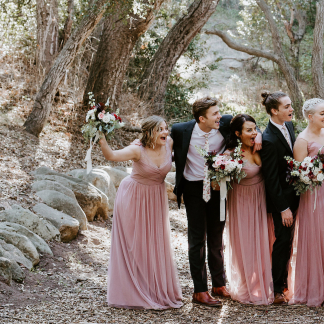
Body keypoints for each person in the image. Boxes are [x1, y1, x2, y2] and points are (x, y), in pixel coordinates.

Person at [99, 116, 182, 310]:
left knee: (154, 242)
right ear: (149, 132)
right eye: (160, 129)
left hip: (155, 199)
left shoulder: (169, 143)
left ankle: (153, 289)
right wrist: (99, 134)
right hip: (133, 198)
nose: (165, 132)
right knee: (134, 244)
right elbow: (111, 156)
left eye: (166, 128)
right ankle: (132, 291)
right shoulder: (137, 149)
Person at [170, 98, 232, 307]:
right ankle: (200, 290)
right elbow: (160, 142)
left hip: (217, 188)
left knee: (217, 236)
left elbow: (249, 128)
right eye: (215, 114)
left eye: (219, 112)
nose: (219, 116)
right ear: (201, 118)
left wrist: (257, 136)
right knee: (197, 239)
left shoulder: (226, 124)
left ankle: (219, 284)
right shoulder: (180, 130)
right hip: (193, 189)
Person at [288, 98, 324, 306]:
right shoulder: (302, 141)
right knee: (318, 236)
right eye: (322, 113)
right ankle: (316, 288)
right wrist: (312, 173)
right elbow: (299, 173)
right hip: (314, 193)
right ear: (310, 117)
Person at [224, 114, 274, 305]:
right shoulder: (231, 155)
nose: (253, 133)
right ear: (237, 133)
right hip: (242, 202)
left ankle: (262, 284)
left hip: (261, 199)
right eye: (248, 130)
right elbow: (217, 181)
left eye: (255, 129)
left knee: (265, 240)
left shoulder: (258, 146)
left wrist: (258, 135)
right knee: (245, 242)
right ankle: (247, 285)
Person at [257, 90, 298, 305]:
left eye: (290, 105)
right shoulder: (268, 139)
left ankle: (287, 281)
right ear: (274, 111)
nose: (291, 109)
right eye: (287, 107)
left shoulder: (289, 126)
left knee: (289, 241)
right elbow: (271, 179)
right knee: (282, 241)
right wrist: (283, 208)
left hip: (296, 194)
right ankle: (277, 288)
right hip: (281, 201)